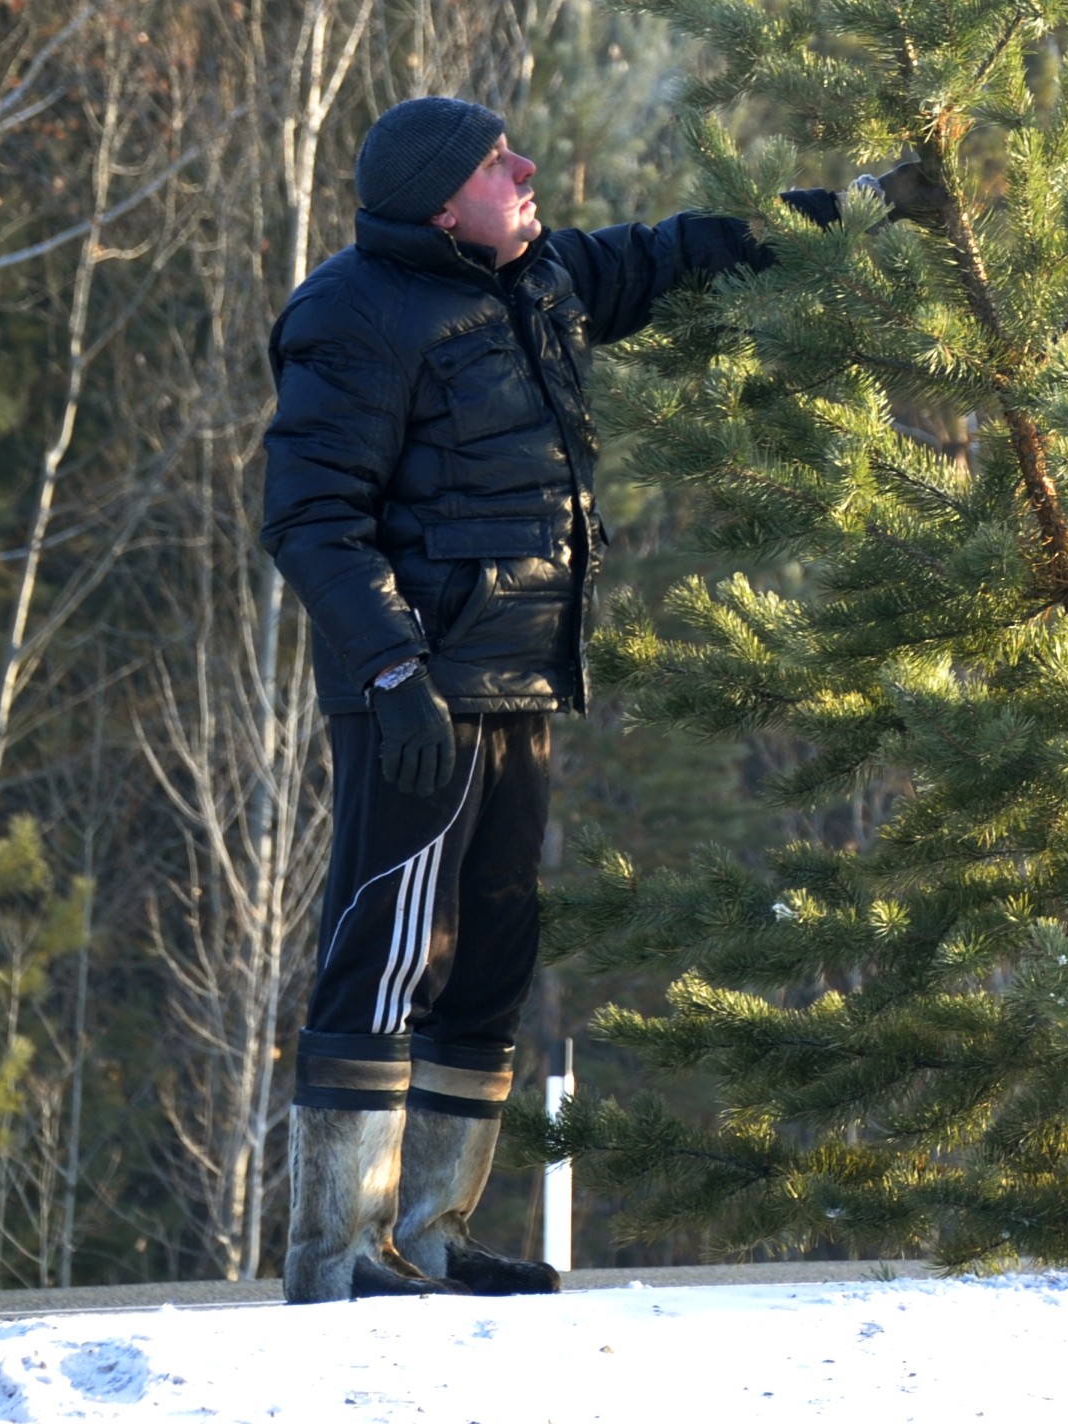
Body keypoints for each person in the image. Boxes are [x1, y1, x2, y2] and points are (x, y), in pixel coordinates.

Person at [259, 95, 903, 1302]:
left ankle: (435, 1236)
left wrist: (855, 212)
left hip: (522, 677)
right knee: (390, 950)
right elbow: (310, 517)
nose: (528, 165)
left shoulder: (541, 275)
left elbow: (683, 253)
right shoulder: (351, 315)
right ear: (444, 201)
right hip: (417, 694)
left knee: (494, 952)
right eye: (498, 161)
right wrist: (391, 670)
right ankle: (336, 1256)